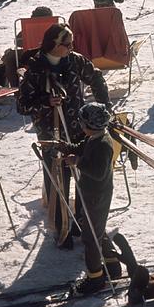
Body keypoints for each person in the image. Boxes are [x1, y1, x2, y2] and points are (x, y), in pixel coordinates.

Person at [17, 23, 112, 248]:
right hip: (52, 132)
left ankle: (81, 221)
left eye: (72, 44)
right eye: (66, 44)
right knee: (58, 181)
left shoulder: (75, 61)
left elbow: (96, 78)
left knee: (83, 175)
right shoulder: (36, 69)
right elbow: (22, 105)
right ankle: (62, 228)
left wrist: (103, 107)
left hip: (80, 130)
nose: (71, 48)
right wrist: (45, 102)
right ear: (54, 45)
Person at [54, 101, 122, 293]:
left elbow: (98, 171)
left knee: (90, 237)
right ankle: (112, 263)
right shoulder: (94, 138)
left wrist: (78, 162)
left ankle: (95, 277)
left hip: (97, 194)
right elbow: (81, 148)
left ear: (90, 125)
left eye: (82, 123)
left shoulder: (102, 144)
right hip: (91, 192)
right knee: (96, 229)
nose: (80, 126)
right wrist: (67, 147)